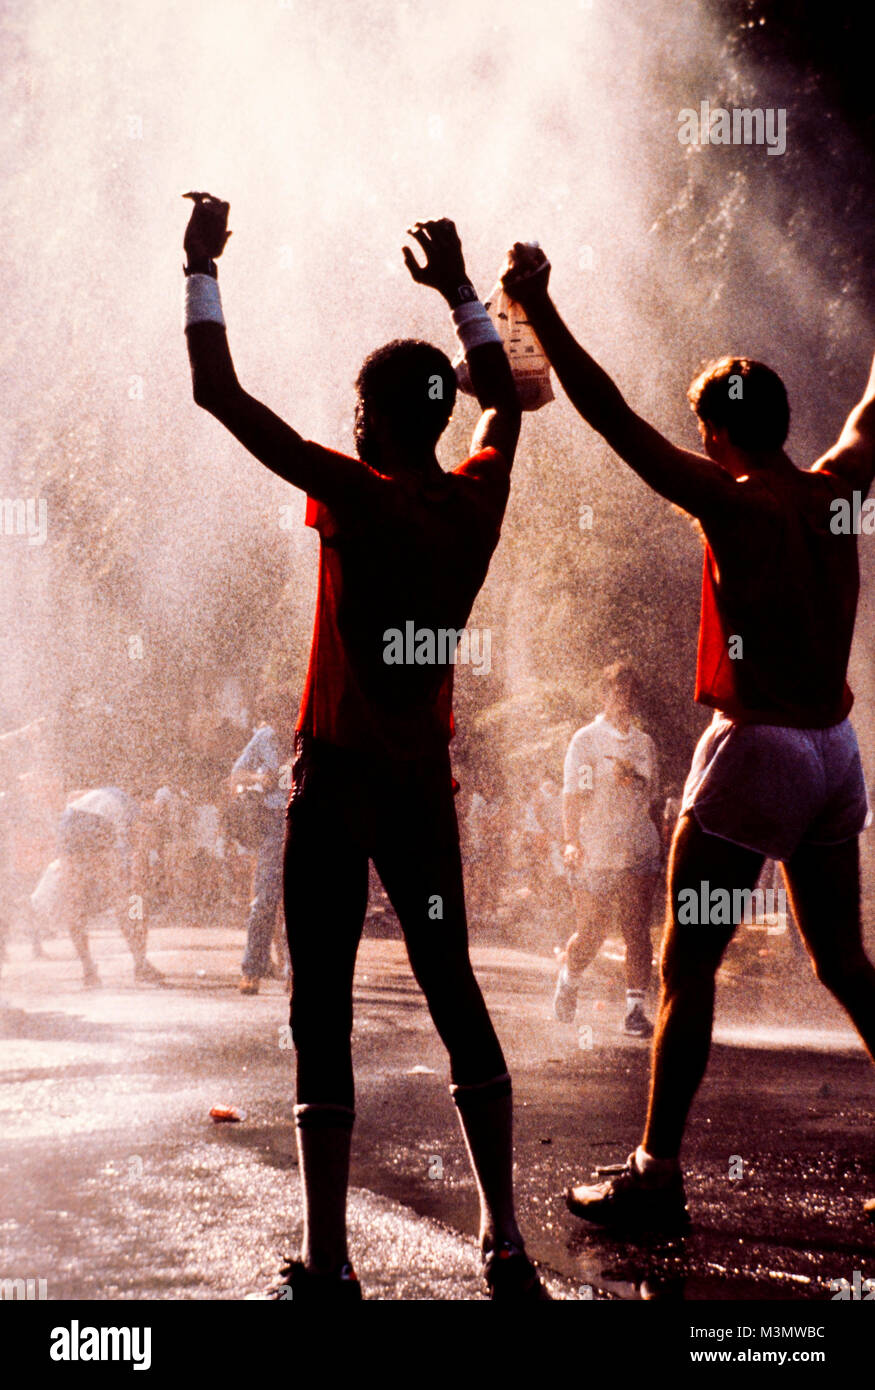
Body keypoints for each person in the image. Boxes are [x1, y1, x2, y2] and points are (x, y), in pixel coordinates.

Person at [182, 194, 546, 1299]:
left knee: (320, 1004)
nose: (344, 423)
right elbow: (510, 405)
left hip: (337, 789)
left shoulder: (354, 494)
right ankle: (504, 1244)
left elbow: (215, 393)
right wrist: (462, 291)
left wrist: (199, 267)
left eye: (353, 408)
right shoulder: (472, 501)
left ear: (376, 424)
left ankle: (329, 1259)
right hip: (420, 793)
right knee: (453, 987)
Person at [501, 241, 875, 1228]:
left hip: (758, 754)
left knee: (684, 966)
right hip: (837, 757)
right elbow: (872, 411)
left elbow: (612, 417)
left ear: (714, 434)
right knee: (844, 966)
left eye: (702, 430)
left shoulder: (731, 500)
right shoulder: (837, 488)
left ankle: (653, 1174)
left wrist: (538, 304)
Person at [554, 663, 662, 1037]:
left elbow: (649, 796)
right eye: (618, 691)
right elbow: (574, 795)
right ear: (604, 695)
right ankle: (569, 978)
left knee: (636, 930)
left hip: (636, 849)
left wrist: (631, 776)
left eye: (632, 692)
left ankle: (634, 1011)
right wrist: (571, 841)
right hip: (593, 849)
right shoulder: (586, 740)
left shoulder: (645, 744)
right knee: (593, 931)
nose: (625, 699)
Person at [54, 785, 164, 987]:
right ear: (144, 801)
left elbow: (71, 796)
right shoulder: (134, 812)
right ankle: (140, 964)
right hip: (94, 826)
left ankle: (88, 968)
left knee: (75, 901)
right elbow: (137, 859)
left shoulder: (102, 795)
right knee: (129, 899)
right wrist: (137, 894)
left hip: (68, 824)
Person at [229, 692, 295, 994]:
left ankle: (295, 973)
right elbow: (235, 775)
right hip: (272, 823)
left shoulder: (311, 734)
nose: (279, 722)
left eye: (285, 715)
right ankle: (251, 970)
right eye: (274, 716)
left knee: (300, 903)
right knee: (265, 899)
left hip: (306, 820)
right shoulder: (264, 737)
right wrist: (258, 778)